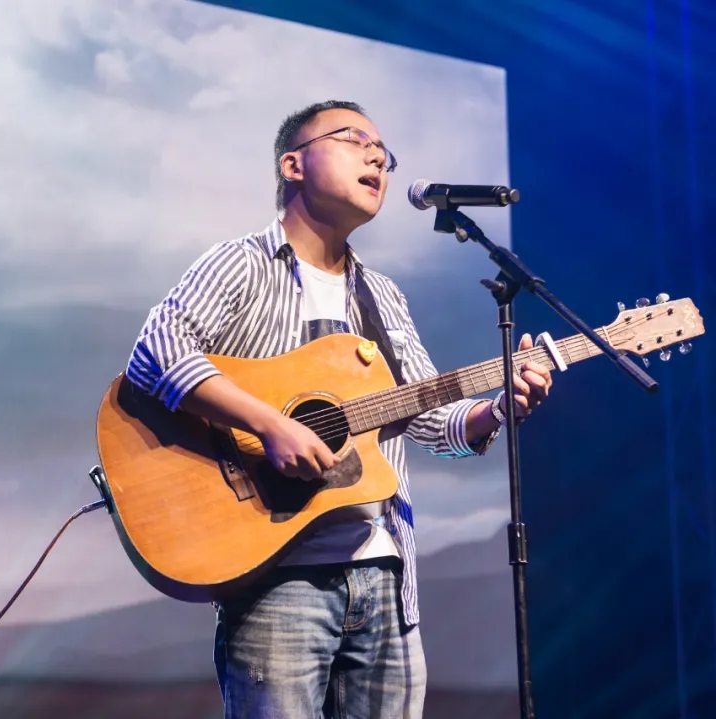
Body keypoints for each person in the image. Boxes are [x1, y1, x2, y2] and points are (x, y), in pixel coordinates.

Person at [124, 100, 552, 719]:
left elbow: (428, 418)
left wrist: (498, 410)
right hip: (277, 581)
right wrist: (270, 425)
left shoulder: (382, 295)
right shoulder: (241, 263)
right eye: (355, 140)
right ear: (293, 165)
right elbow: (156, 351)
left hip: (386, 580)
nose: (377, 156)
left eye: (384, 152)